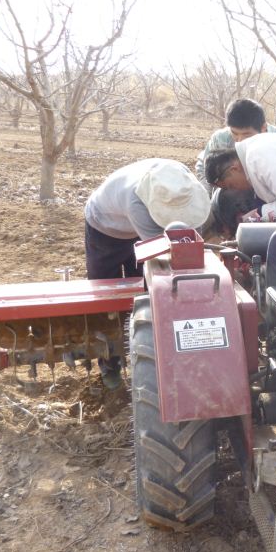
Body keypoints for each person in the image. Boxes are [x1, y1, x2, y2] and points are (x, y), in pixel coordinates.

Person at [84, 158, 210, 388]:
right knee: (107, 297)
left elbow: (191, 232)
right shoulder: (136, 201)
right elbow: (160, 253)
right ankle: (110, 362)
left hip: (143, 228)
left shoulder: (181, 180)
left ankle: (151, 351)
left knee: (146, 292)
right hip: (106, 229)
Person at [195, 99, 276, 239]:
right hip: (225, 184)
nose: (240, 141)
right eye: (235, 134)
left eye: (246, 135)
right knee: (207, 214)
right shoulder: (221, 138)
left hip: (267, 188)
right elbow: (209, 172)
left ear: (263, 128)